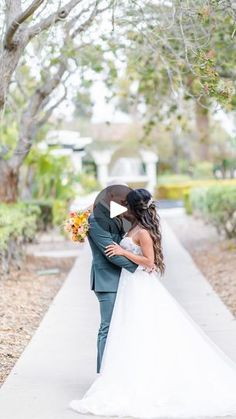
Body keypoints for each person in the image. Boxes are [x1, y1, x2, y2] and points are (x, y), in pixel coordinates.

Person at [70, 188, 236, 418]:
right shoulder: (120, 222)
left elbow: (150, 263)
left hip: (135, 282)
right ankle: (110, 375)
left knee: (138, 329)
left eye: (124, 202)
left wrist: (126, 255)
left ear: (131, 207)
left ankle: (124, 376)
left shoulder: (141, 230)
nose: (119, 204)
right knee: (119, 329)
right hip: (124, 282)